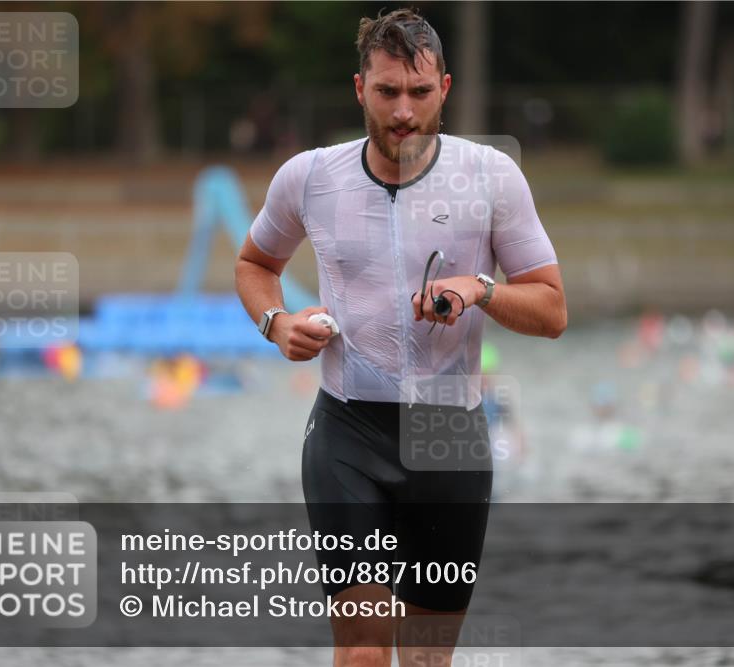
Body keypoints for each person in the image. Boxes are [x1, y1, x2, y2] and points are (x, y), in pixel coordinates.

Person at [235, 8, 566, 666]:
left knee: (424, 657)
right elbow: (254, 265)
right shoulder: (310, 177)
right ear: (361, 90)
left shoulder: (491, 176)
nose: (404, 112)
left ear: (444, 88)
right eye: (388, 92)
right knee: (362, 651)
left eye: (419, 93)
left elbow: (552, 309)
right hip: (348, 432)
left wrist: (481, 288)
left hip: (449, 437)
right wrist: (277, 323)